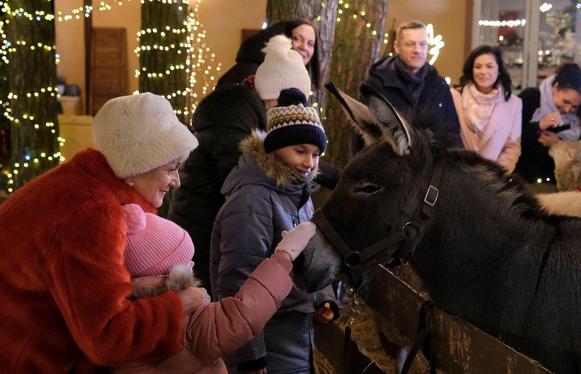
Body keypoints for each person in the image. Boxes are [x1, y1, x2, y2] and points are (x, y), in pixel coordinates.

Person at [0, 93, 208, 372]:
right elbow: (109, 337)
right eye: (171, 168)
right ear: (138, 164)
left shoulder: (79, 184)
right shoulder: (90, 212)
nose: (177, 182)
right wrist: (180, 303)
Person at [168, 34, 340, 292]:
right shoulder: (230, 117)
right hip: (204, 231)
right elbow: (257, 180)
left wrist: (339, 178)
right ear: (273, 94)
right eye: (289, 100)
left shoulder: (260, 115)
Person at [211, 88, 337, 374]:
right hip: (268, 339)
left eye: (316, 154)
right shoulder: (252, 201)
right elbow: (236, 282)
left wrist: (322, 298)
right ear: (274, 147)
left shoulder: (299, 194)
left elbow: (309, 257)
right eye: (300, 151)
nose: (309, 163)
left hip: (297, 333)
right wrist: (250, 357)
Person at [114, 203, 316, 373]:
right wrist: (283, 256)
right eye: (185, 262)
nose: (192, 266)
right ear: (169, 274)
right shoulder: (184, 318)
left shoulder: (119, 316)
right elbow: (242, 315)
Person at [359, 19, 462, 150]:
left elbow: (452, 132)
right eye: (410, 44)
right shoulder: (377, 83)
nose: (417, 50)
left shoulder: (439, 85)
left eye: (423, 44)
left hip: (431, 165)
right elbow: (364, 132)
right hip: (390, 163)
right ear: (397, 47)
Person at [514, 63, 581, 183]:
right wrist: (539, 125)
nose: (568, 110)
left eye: (574, 106)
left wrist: (557, 143)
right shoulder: (531, 98)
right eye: (565, 101)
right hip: (523, 180)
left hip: (559, 184)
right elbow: (509, 136)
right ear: (556, 88)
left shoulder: (577, 117)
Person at [457, 45, 522, 174]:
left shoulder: (514, 104)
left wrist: (495, 174)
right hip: (461, 175)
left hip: (493, 179)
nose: (483, 72)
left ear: (499, 70)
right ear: (471, 70)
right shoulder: (456, 97)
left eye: (489, 66)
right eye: (478, 66)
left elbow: (512, 147)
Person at [217, 18, 321, 91]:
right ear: (281, 38)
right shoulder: (251, 74)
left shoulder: (294, 82)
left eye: (310, 44)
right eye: (297, 38)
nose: (304, 47)